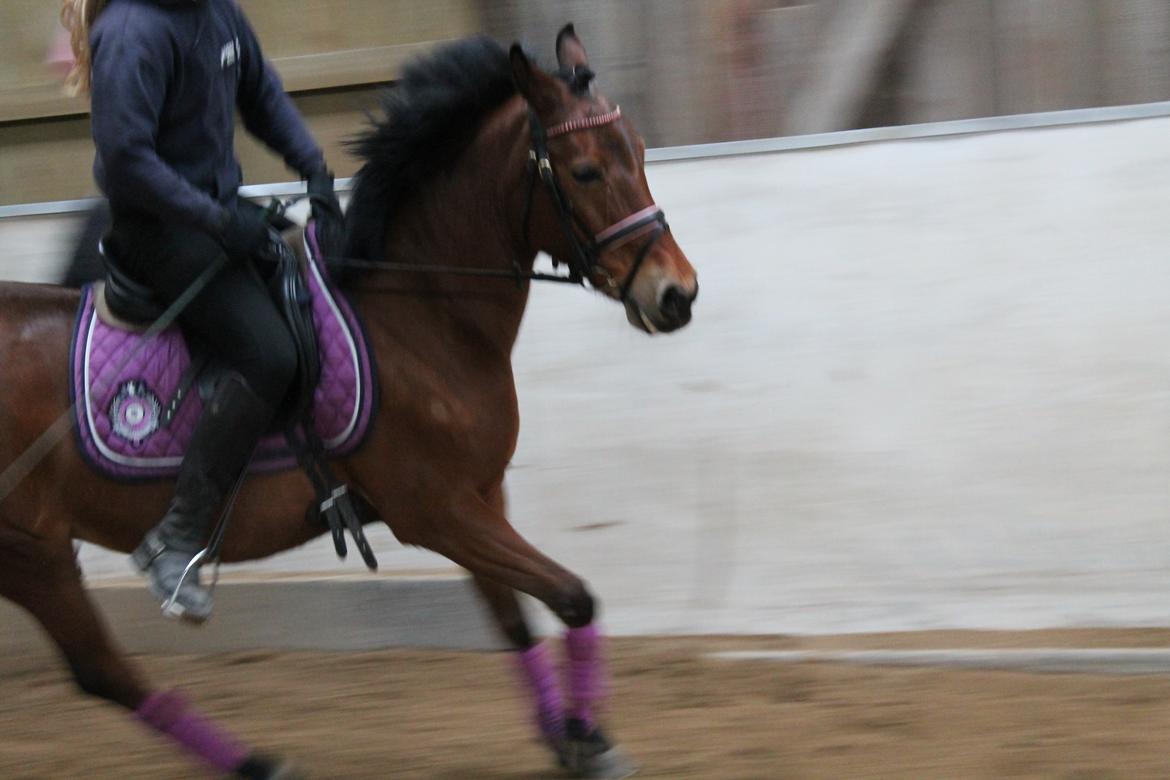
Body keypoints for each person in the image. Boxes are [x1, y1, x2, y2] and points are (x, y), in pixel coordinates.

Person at [61, 0, 344, 623]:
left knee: (316, 294)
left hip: (215, 211)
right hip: (156, 229)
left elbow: (261, 93)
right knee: (268, 354)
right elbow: (128, 163)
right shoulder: (132, 32)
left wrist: (315, 169)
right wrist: (218, 221)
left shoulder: (219, 13)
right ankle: (175, 538)